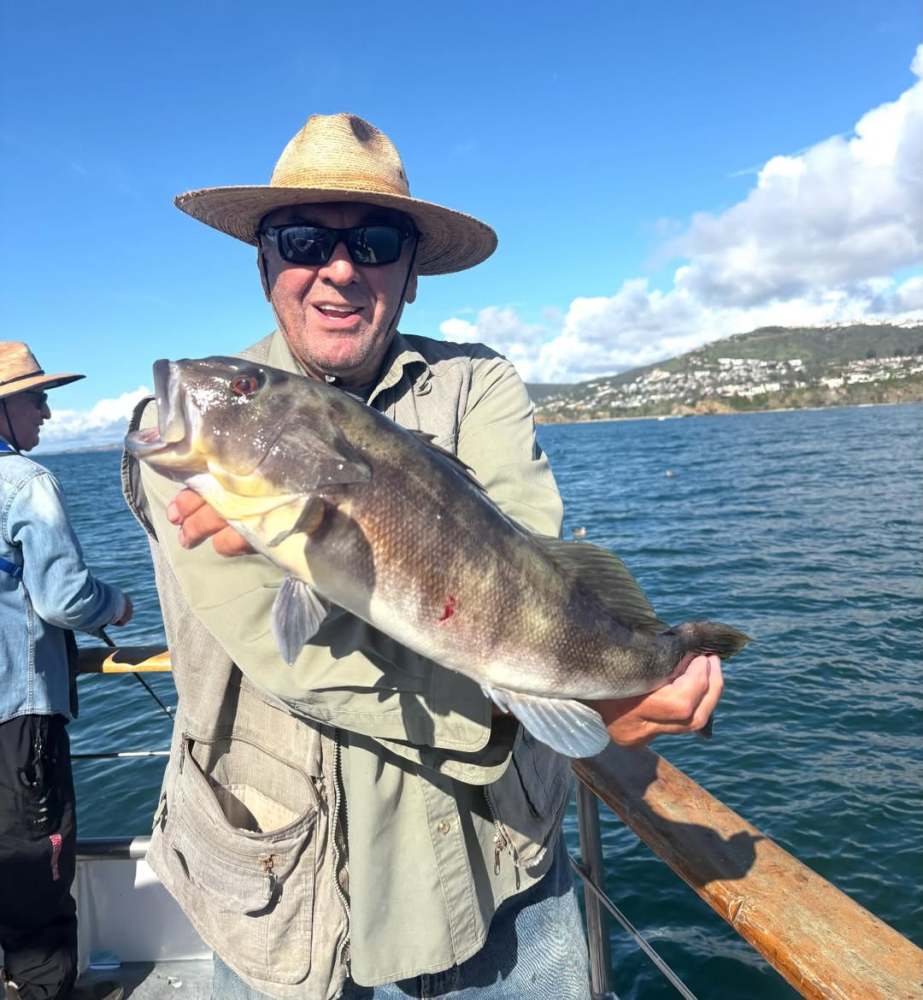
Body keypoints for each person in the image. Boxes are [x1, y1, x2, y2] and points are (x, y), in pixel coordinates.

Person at [122, 113, 723, 1000]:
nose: (339, 267)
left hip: (499, 876)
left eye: (373, 241)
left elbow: (524, 573)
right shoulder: (185, 432)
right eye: (301, 239)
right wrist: (578, 714)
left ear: (408, 278)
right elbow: (290, 657)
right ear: (263, 263)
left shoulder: (477, 382)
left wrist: (621, 675)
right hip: (290, 910)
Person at [0, 342, 133, 1000]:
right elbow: (62, 598)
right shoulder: (25, 481)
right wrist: (119, 602)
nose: (47, 409)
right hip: (19, 717)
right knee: (37, 871)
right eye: (35, 397)